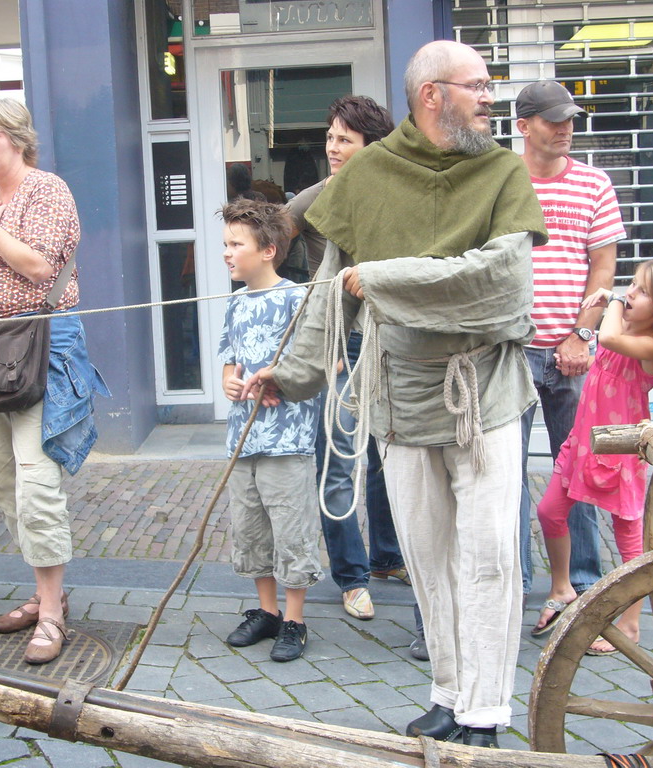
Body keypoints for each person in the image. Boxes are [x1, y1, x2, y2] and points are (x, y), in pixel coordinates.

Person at [243, 40, 548, 746]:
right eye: (478, 85)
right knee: (427, 558)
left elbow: (503, 289)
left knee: (490, 555)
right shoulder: (369, 174)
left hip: (486, 395)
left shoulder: (503, 171)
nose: (491, 97)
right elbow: (329, 295)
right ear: (432, 95)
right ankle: (448, 692)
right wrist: (288, 375)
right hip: (401, 396)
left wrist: (387, 280)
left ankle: (486, 709)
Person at [0, 97, 108, 665]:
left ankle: (50, 614)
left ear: (20, 139)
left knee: (36, 482)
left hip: (40, 350)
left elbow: (39, 267)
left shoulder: (45, 190)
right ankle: (48, 590)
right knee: (3, 484)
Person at [531, 259, 653, 654]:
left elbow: (610, 338)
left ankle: (631, 624)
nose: (630, 293)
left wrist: (611, 297)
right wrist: (616, 300)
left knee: (629, 539)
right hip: (584, 442)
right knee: (549, 511)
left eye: (642, 290)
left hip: (620, 451)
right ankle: (562, 586)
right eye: (631, 284)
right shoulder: (628, 327)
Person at [286, 95, 407, 623]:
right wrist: (310, 325)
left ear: (372, 147)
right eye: (330, 137)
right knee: (337, 461)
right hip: (342, 346)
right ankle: (352, 577)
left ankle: (386, 558)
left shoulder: (398, 195)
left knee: (388, 457)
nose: (333, 148)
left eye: (345, 139)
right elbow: (266, 243)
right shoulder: (315, 200)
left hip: (393, 343)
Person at [514, 80, 624, 608]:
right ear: (523, 127)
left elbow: (603, 266)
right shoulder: (503, 182)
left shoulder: (594, 183)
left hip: (574, 352)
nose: (565, 129)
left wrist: (582, 334)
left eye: (570, 119)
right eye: (553, 120)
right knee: (503, 473)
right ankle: (513, 584)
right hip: (511, 350)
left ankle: (581, 587)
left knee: (578, 472)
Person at [218, 198, 323, 663]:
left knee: (291, 528)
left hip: (287, 440)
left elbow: (323, 360)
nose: (226, 252)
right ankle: (266, 611)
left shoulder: (298, 299)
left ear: (268, 250)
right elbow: (228, 360)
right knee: (252, 527)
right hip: (243, 439)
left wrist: (278, 376)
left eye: (235, 244)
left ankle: (296, 619)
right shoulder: (236, 301)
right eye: (226, 243)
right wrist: (230, 381)